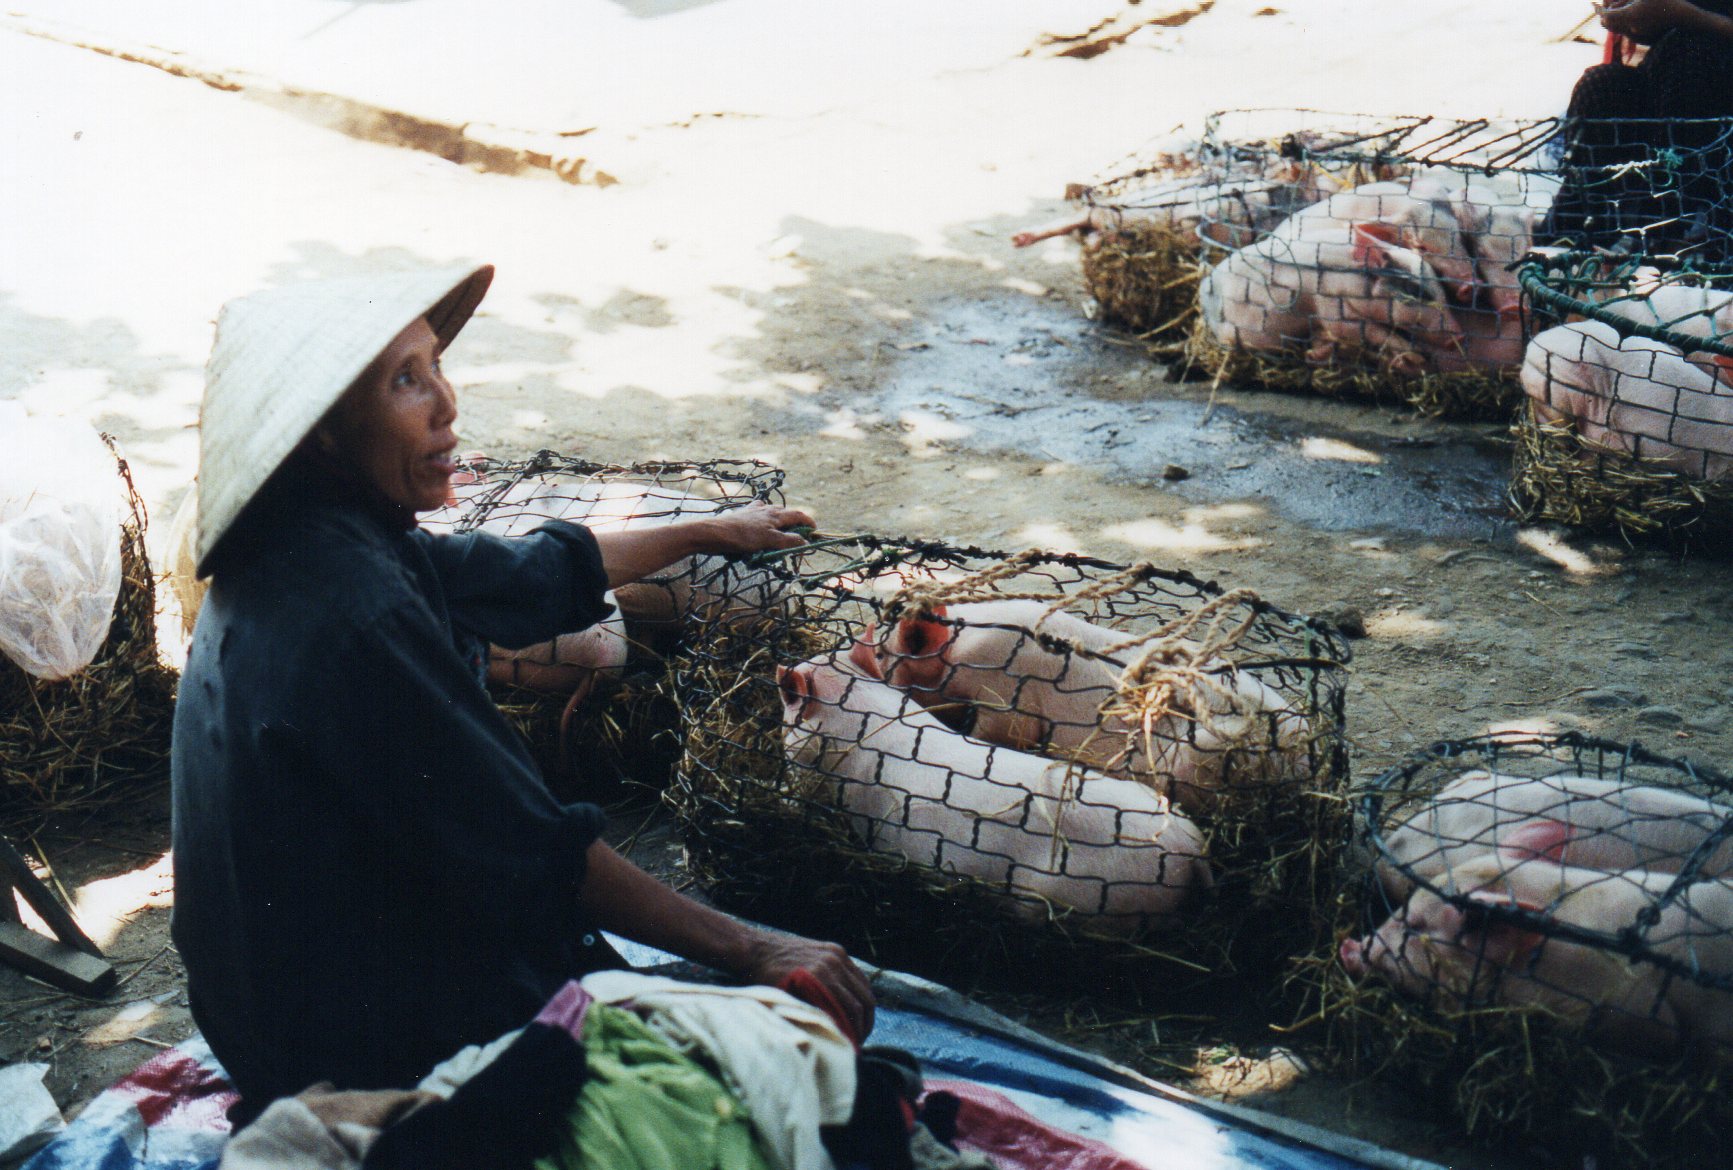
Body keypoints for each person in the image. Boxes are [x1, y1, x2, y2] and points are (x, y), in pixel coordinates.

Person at [170, 264, 874, 1123]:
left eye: (434, 365)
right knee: (793, 1088)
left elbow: (521, 570)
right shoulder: (356, 609)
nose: (446, 403)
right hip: (339, 1046)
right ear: (321, 435)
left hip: (259, 1008)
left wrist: (705, 531)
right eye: (405, 381)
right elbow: (531, 845)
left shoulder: (311, 542)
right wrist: (752, 946)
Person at [1546, 0, 1733, 255]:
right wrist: (1633, 17)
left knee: (1692, 58)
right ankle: (1579, 232)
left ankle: (1671, 233)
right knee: (1601, 87)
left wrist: (1683, 15)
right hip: (1668, 95)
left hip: (1713, 108)